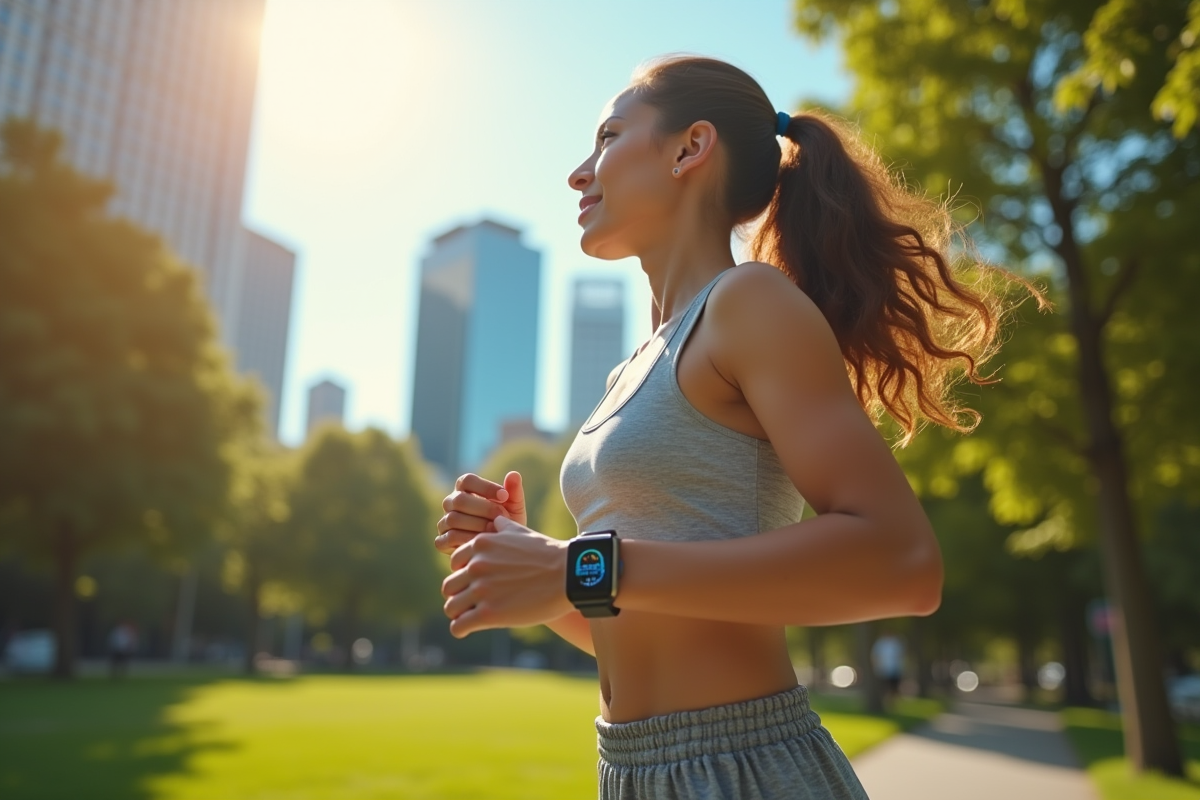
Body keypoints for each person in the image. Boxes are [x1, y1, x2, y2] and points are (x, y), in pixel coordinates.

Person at [436, 55, 1031, 799]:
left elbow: (904, 562)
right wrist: (534, 566)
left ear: (690, 148)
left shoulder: (748, 303)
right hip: (631, 769)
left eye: (609, 136)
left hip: (743, 767)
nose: (579, 173)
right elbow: (651, 619)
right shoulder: (630, 369)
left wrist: (577, 567)